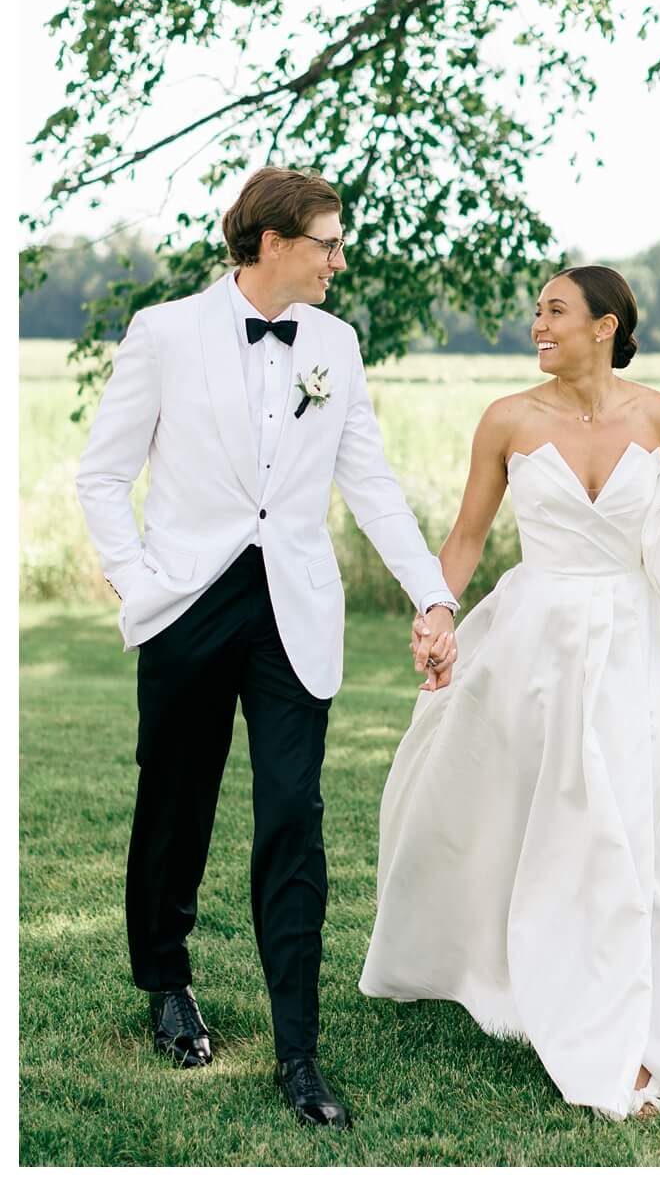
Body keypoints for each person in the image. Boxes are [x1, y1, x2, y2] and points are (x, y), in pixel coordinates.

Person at [76, 166, 462, 1128]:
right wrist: (138, 582)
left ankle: (299, 1052)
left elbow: (367, 479)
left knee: (293, 814)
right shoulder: (165, 333)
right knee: (176, 803)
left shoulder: (334, 343)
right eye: (328, 241)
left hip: (294, 607)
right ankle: (166, 981)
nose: (341, 258)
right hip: (188, 604)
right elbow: (101, 474)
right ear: (273, 242)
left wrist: (432, 594)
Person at [359, 265, 660, 1122]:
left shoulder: (659, 414)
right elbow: (466, 537)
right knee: (520, 820)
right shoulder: (507, 419)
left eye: (555, 310)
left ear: (606, 324)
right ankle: (502, 969)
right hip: (533, 646)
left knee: (621, 833)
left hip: (627, 646)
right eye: (536, 311)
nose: (536, 324)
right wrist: (438, 613)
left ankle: (626, 1042)